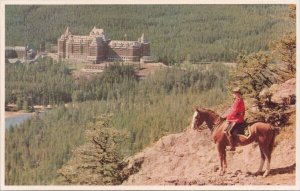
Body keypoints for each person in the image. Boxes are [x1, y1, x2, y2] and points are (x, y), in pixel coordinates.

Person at [223, 87, 245, 151]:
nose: (233, 94)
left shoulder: (238, 101)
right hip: (238, 117)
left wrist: (227, 118)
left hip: (236, 119)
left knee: (227, 131)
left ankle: (232, 147)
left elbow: (234, 111)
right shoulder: (240, 100)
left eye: (234, 93)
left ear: (237, 94)